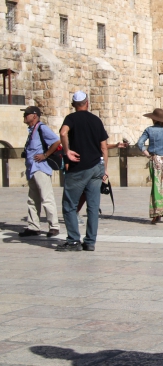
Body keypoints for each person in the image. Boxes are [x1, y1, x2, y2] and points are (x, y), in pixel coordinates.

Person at [57, 91, 109, 252]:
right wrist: (104, 170)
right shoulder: (96, 120)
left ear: (73, 105)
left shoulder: (70, 119)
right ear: (87, 103)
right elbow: (104, 147)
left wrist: (67, 151)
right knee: (93, 206)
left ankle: (73, 240)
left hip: (78, 168)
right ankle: (90, 241)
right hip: (96, 168)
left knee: (69, 205)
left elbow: (63, 133)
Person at [19, 105, 61, 238]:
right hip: (31, 168)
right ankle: (33, 226)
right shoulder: (31, 130)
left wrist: (45, 155)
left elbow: (56, 141)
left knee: (46, 197)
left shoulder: (41, 128)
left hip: (40, 168)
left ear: (35, 116)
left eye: (27, 114)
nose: (25, 116)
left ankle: (54, 226)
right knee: (32, 199)